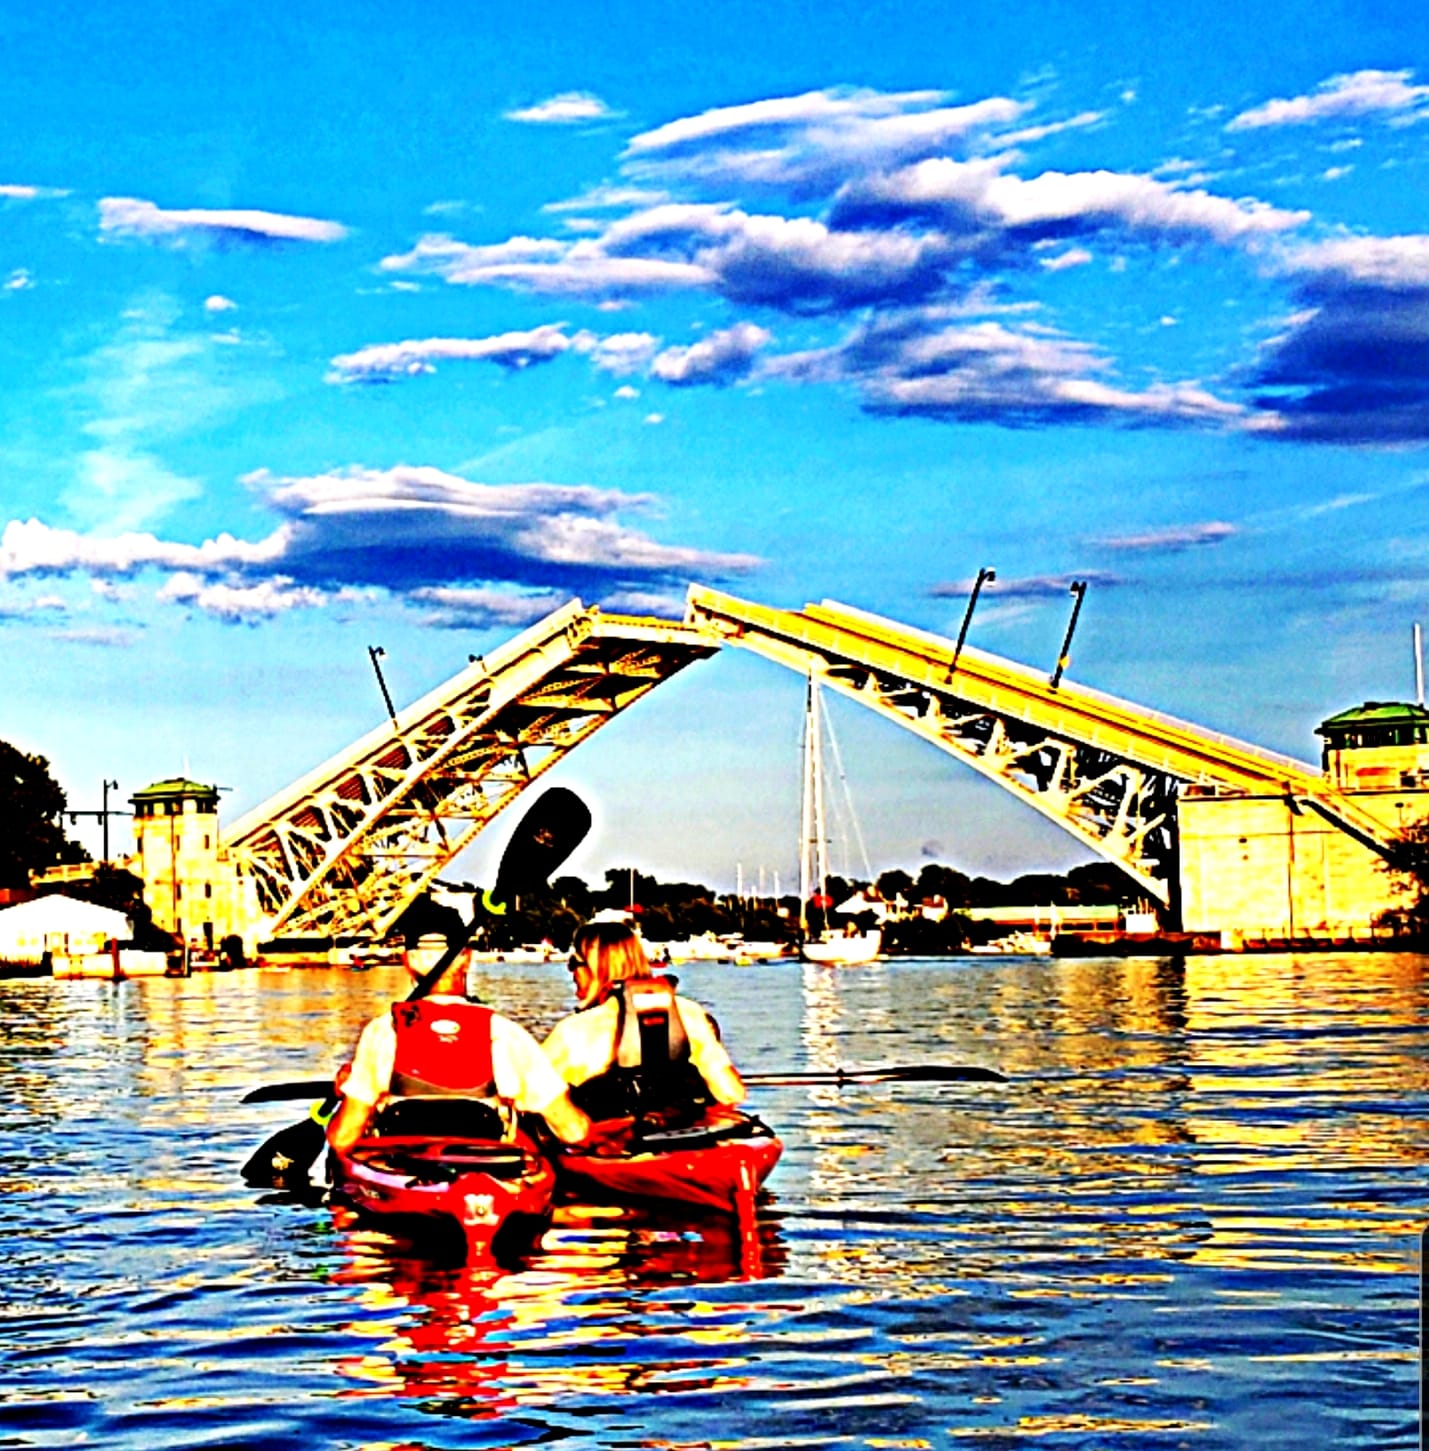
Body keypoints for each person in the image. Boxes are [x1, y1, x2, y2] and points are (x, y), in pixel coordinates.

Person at [327, 934, 593, 1153]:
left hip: (404, 1167)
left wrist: (345, 1094)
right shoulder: (504, 1031)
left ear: (408, 962)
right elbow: (574, 1131)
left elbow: (342, 1139)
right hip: (486, 1174)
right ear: (466, 960)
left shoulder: (383, 1031)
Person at [542, 919, 745, 1120]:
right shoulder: (689, 1013)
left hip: (610, 1145)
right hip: (683, 1135)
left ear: (595, 968)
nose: (571, 973)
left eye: (573, 963)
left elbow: (532, 1097)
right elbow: (731, 1093)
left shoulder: (573, 1031)